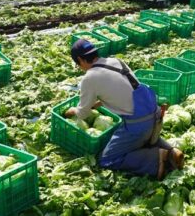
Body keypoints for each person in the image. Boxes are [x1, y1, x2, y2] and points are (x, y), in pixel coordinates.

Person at [65, 39, 184, 180]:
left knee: (107, 159)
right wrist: (99, 103)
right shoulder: (116, 61)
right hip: (155, 115)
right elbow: (123, 90)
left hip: (138, 125)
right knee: (143, 138)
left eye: (77, 64)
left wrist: (72, 111)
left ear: (80, 59)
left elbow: (83, 114)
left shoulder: (89, 78)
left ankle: (155, 159)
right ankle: (172, 151)